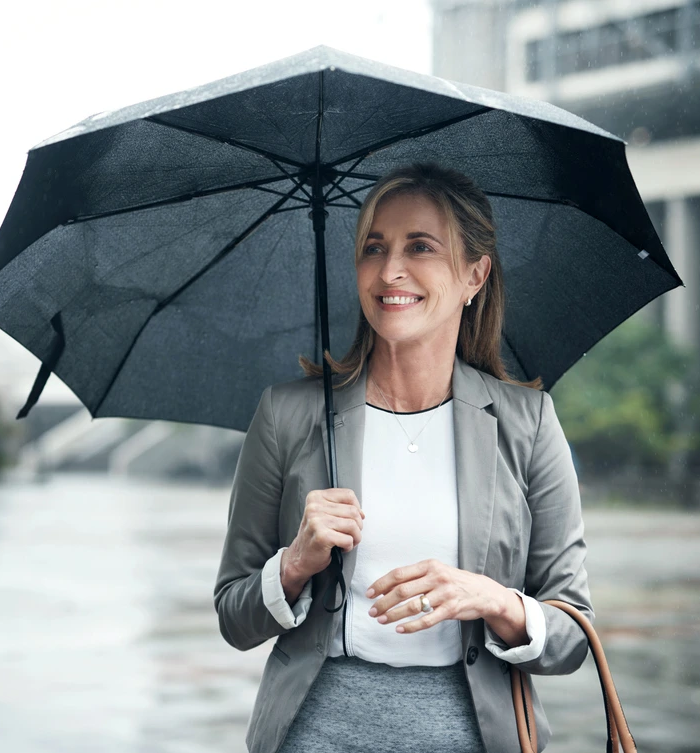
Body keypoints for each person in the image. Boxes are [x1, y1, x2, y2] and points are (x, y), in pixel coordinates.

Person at [213, 162, 593, 753]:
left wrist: (490, 598)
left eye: (420, 247)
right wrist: (293, 564)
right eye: (374, 247)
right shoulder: (287, 416)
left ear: (474, 275)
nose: (390, 271)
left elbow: (572, 635)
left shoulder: (528, 422)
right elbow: (234, 619)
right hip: (315, 735)